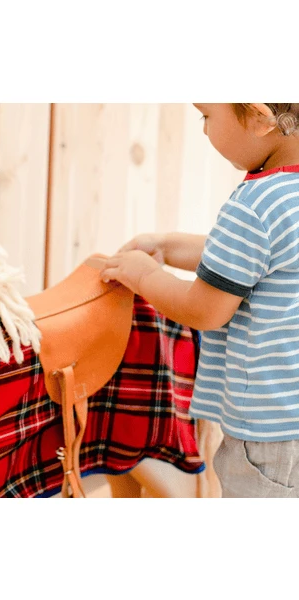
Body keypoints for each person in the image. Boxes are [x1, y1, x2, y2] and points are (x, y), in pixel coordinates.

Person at [100, 103, 299, 498]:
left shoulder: (255, 205)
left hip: (270, 435)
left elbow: (204, 310)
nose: (204, 129)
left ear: (259, 117)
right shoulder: (286, 195)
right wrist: (167, 246)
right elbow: (246, 258)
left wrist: (144, 276)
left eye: (206, 115)